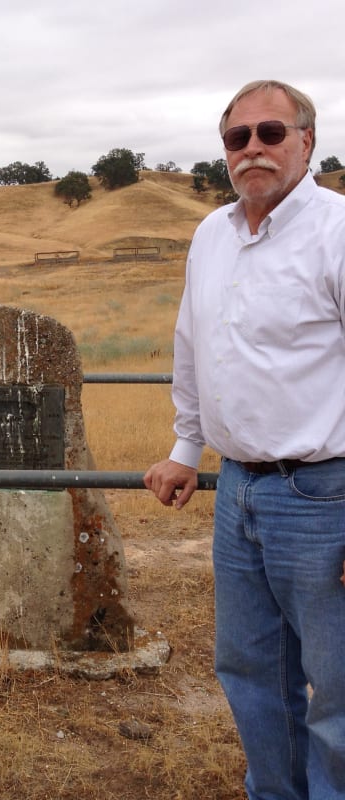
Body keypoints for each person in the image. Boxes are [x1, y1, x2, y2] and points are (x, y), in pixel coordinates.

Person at [144, 79, 345, 800]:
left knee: (340, 693)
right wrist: (183, 448)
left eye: (271, 133)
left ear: (306, 143)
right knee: (252, 672)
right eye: (238, 138)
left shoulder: (337, 230)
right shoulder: (212, 234)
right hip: (239, 491)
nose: (253, 148)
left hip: (325, 494)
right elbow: (194, 347)